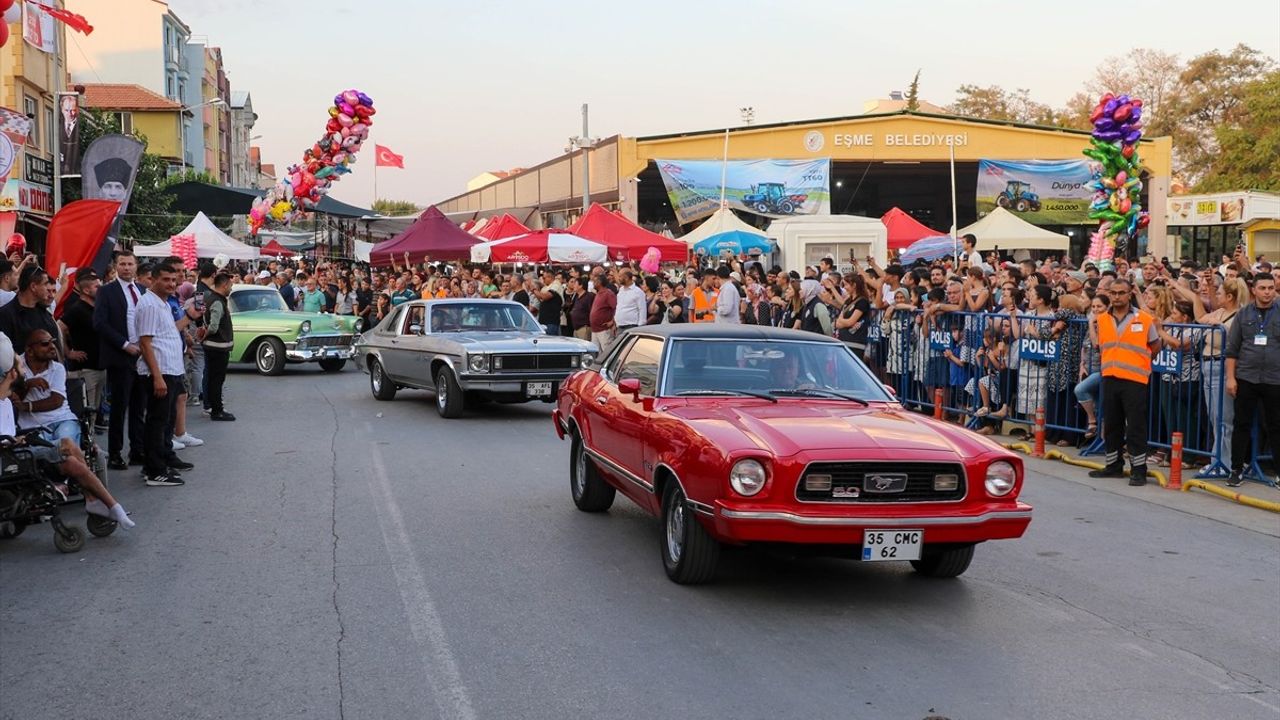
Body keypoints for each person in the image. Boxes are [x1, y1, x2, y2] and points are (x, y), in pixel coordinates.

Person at [0, 361, 134, 529]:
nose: (23, 370)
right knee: (68, 445)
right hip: (12, 456)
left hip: (18, 449)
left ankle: (108, 505)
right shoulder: (4, 401)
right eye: (19, 368)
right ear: (11, 375)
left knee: (72, 462)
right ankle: (96, 501)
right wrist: (15, 441)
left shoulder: (5, 402)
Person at [1089, 278, 1159, 486]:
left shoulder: (1144, 319)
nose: (1117, 296)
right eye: (1114, 293)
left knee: (1135, 426)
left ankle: (1139, 470)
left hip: (1135, 380)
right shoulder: (1102, 319)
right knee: (1112, 424)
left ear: (1130, 294)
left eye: (1121, 293)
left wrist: (1141, 363)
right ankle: (1114, 465)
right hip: (1110, 377)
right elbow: (1102, 346)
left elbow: (1155, 346)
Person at [135, 262, 197, 486]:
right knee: (157, 422)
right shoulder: (150, 304)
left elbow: (170, 331)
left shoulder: (161, 303)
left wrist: (191, 316)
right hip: (159, 371)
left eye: (174, 279)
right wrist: (157, 376)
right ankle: (155, 471)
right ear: (153, 279)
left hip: (171, 369)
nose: (171, 284)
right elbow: (145, 342)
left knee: (166, 421)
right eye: (166, 279)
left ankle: (162, 460)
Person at [1224, 272, 1280, 486]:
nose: (1267, 292)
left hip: (1275, 379)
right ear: (1254, 290)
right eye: (1263, 288)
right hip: (1246, 377)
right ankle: (1236, 469)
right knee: (1241, 424)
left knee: (1276, 426)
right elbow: (1232, 350)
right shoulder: (1243, 315)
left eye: (1271, 288)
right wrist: (1231, 378)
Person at [92, 251, 146, 471]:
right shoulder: (106, 292)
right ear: (115, 267)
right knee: (119, 408)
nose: (126, 268)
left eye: (130, 264)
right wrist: (125, 344)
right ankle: (115, 453)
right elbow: (100, 323)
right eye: (122, 264)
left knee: (138, 407)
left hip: (143, 356)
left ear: (136, 266)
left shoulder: (142, 290)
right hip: (120, 355)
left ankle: (137, 450)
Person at [16, 329, 81, 446]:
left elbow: (57, 401)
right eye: (45, 344)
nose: (52, 347)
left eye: (53, 342)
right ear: (30, 351)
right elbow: (13, 399)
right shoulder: (17, 366)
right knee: (50, 451)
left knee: (65, 443)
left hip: (62, 420)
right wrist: (27, 385)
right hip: (32, 427)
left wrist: (26, 406)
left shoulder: (58, 368)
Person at [58, 269, 105, 429]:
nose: (101, 289)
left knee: (94, 410)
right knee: (85, 411)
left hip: (100, 366)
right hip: (84, 369)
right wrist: (68, 352)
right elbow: (59, 327)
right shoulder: (77, 308)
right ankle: (84, 448)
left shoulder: (97, 307)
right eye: (97, 287)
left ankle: (91, 447)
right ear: (86, 290)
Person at [0, 265, 61, 356]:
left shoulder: (45, 313)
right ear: (33, 286)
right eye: (45, 284)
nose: (47, 289)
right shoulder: (6, 315)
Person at [201, 272, 236, 422]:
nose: (231, 288)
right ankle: (217, 410)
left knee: (212, 378)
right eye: (230, 285)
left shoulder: (213, 299)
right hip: (218, 348)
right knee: (217, 380)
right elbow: (214, 326)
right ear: (224, 285)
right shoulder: (217, 301)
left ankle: (212, 407)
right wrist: (205, 334)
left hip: (214, 347)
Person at [588, 268, 617, 352]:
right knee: (596, 353)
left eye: (595, 281)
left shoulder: (608, 293)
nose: (593, 283)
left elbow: (616, 307)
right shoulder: (598, 293)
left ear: (599, 282)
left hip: (604, 330)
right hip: (595, 329)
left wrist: (612, 321)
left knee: (607, 352)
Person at [534, 270, 564, 335]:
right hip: (543, 321)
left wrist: (534, 290)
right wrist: (535, 291)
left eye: (544, 278)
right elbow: (541, 299)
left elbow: (545, 297)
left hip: (551, 321)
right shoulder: (545, 287)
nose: (543, 280)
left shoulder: (556, 285)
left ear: (550, 277)